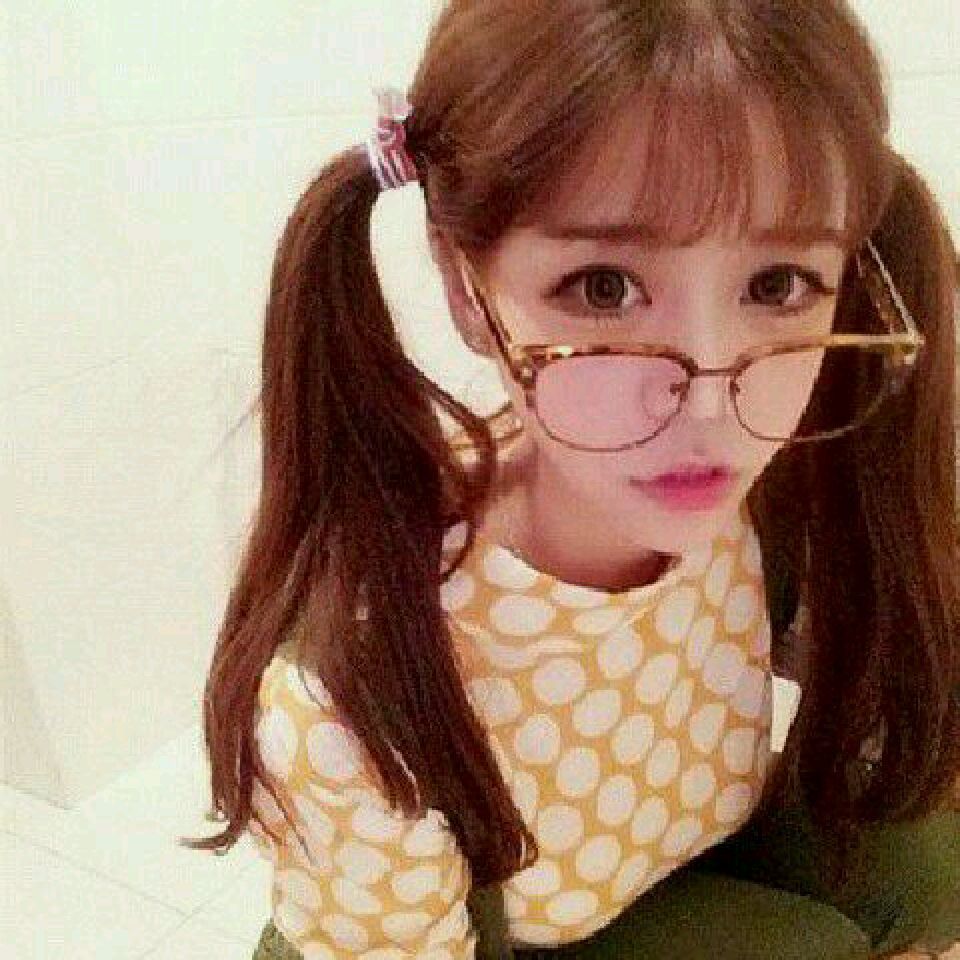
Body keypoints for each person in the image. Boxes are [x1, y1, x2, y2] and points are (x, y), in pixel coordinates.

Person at [180, 2, 960, 957]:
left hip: (680, 853)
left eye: (777, 284)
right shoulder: (354, 694)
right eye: (604, 287)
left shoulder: (774, 471)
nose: (707, 406)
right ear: (466, 290)